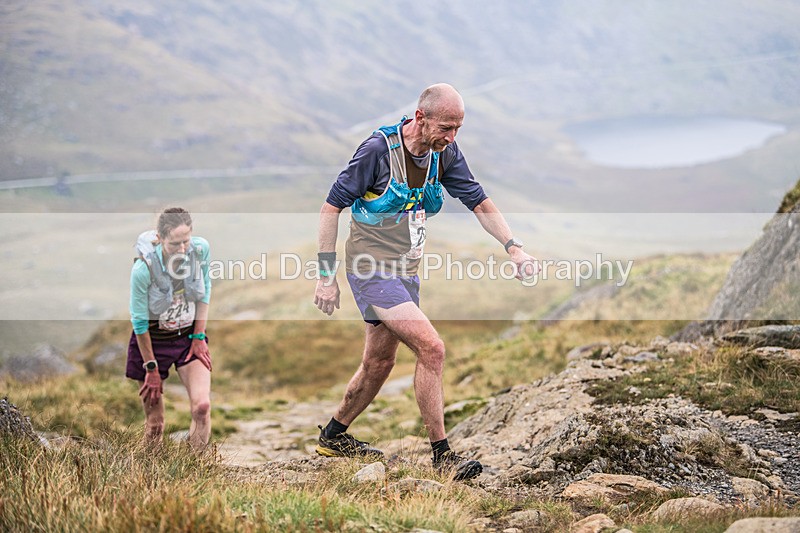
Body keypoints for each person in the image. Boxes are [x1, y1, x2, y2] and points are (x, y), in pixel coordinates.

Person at [313, 83, 538, 480]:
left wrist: (513, 247)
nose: (452, 138)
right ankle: (443, 457)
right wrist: (326, 277)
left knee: (379, 362)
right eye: (446, 127)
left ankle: (333, 435)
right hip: (370, 268)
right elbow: (331, 207)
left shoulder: (444, 153)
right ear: (421, 118)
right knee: (432, 348)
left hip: (406, 271)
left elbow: (480, 202)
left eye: (458, 129)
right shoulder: (377, 152)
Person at [126, 207, 213, 450]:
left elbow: (205, 290)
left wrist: (198, 336)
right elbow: (140, 323)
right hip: (153, 344)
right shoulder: (142, 270)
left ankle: (197, 471)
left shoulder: (200, 250)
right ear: (159, 238)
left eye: (186, 241)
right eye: (175, 244)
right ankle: (145, 477)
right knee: (155, 424)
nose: (182, 249)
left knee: (202, 407)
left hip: (187, 338)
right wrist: (150, 368)